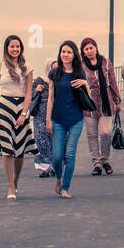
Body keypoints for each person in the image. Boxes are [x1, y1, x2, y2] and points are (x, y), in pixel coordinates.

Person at [0, 34, 37, 200]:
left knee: (19, 150)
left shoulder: (27, 67)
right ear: (6, 48)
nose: (15, 49)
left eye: (17, 46)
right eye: (12, 46)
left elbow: (28, 92)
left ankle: (16, 181)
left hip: (20, 107)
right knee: (7, 148)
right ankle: (10, 186)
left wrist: (24, 113)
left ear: (21, 48)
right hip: (4, 107)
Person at [45, 40, 90, 198]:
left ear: (74, 55)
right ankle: (58, 178)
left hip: (76, 119)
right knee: (57, 157)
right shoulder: (54, 74)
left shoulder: (80, 73)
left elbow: (88, 99)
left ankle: (65, 187)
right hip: (57, 119)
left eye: (69, 52)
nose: (65, 54)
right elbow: (50, 98)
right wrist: (48, 120)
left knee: (70, 154)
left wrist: (85, 83)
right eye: (63, 51)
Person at [80, 37, 122, 175]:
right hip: (89, 103)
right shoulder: (81, 65)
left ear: (96, 48)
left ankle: (105, 160)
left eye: (91, 48)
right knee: (92, 135)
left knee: (105, 133)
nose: (89, 51)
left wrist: (117, 101)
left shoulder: (105, 62)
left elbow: (113, 81)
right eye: (86, 49)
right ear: (83, 52)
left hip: (106, 103)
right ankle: (97, 163)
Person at [30, 64, 55, 177]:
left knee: (56, 140)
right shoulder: (39, 80)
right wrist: (36, 90)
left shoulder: (60, 80)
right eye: (52, 68)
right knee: (41, 138)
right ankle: (45, 167)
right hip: (40, 112)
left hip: (56, 111)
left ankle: (56, 166)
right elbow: (29, 94)